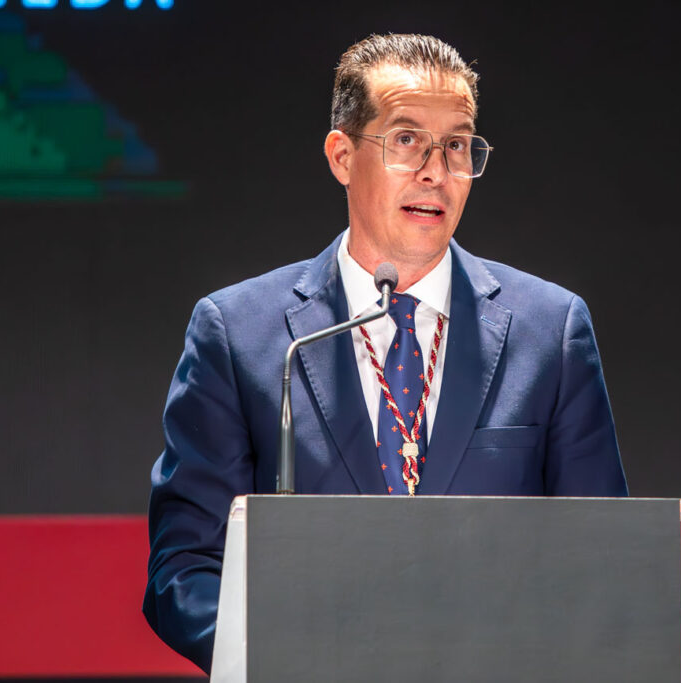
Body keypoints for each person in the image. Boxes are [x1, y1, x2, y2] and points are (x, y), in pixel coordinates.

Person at [143, 33, 628, 673]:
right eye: (406, 140)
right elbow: (186, 568)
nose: (436, 171)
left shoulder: (551, 331)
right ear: (342, 156)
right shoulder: (240, 334)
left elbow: (602, 561)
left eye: (457, 146)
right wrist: (287, 658)